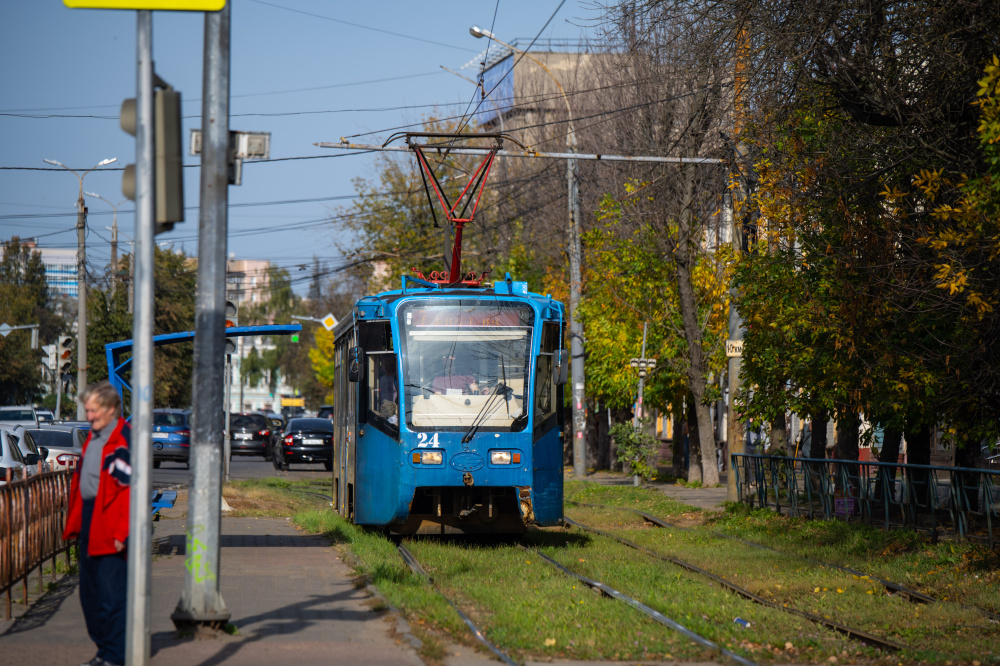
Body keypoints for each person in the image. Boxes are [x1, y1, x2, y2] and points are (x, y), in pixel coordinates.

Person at [63, 381, 131, 666]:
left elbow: (130, 490)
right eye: (87, 410)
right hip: (91, 517)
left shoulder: (122, 440)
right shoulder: (95, 435)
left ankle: (115, 655)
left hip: (111, 520)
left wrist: (121, 532)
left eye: (94, 410)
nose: (89, 416)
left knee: (110, 592)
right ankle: (104, 650)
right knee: (89, 591)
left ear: (112, 408)